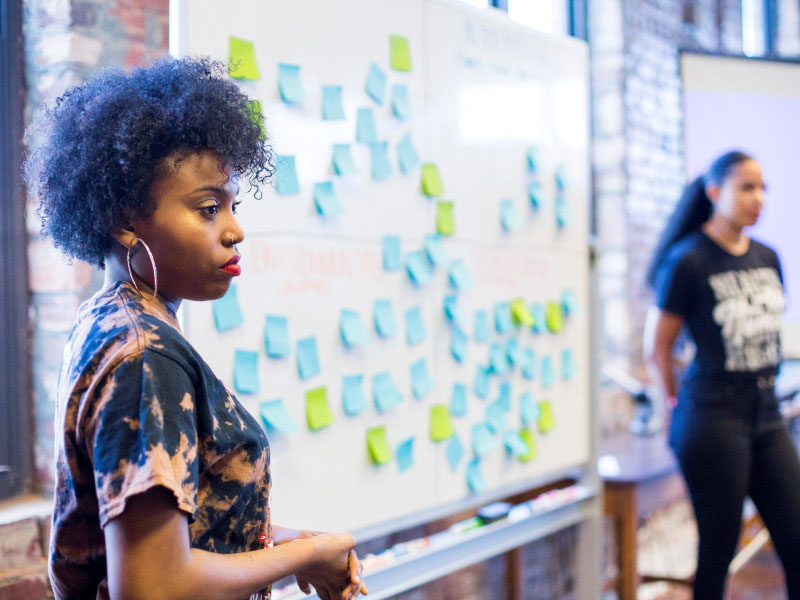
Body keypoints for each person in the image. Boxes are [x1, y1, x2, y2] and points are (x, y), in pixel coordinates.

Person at [24, 56, 368, 600]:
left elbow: (179, 531)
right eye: (209, 208)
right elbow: (153, 584)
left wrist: (284, 543)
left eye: (232, 205)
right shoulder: (146, 355)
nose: (235, 231)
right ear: (124, 220)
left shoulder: (110, 319)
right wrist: (307, 556)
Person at [643, 150, 800, 599]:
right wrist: (671, 406)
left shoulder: (768, 257)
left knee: (796, 539)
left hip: (766, 411)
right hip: (713, 415)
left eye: (763, 188)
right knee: (718, 550)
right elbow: (657, 347)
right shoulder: (688, 260)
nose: (758, 198)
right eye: (746, 187)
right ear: (714, 192)